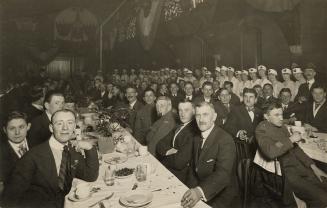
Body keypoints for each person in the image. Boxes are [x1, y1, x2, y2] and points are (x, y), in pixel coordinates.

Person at [2, 110, 99, 208]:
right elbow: (9, 200)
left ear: (74, 127)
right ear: (51, 128)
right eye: (59, 123)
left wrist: (89, 148)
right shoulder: (32, 157)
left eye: (70, 123)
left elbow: (90, 176)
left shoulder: (72, 149)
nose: (65, 128)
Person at [255, 102, 327, 207]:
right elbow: (270, 152)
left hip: (300, 168)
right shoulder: (261, 129)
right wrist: (291, 139)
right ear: (266, 116)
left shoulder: (282, 127)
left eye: (282, 114)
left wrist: (314, 167)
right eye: (277, 115)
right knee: (322, 198)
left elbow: (296, 150)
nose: (281, 118)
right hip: (285, 174)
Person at [182, 102, 238, 208]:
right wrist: (189, 190)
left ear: (214, 117)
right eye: (198, 115)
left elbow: (223, 174)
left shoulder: (225, 139)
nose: (201, 119)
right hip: (203, 189)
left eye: (205, 114)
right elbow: (194, 170)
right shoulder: (197, 137)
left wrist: (199, 191)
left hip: (222, 195)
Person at [156, 100, 199, 183]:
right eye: (180, 110)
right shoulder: (178, 126)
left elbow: (179, 163)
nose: (182, 114)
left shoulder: (194, 131)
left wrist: (163, 156)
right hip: (170, 170)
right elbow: (159, 144)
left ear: (193, 111)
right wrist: (170, 151)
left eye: (186, 110)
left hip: (181, 177)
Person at [0, 111, 31, 195]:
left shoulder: (38, 144)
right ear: (4, 130)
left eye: (21, 127)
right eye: (12, 128)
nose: (17, 132)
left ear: (28, 126)